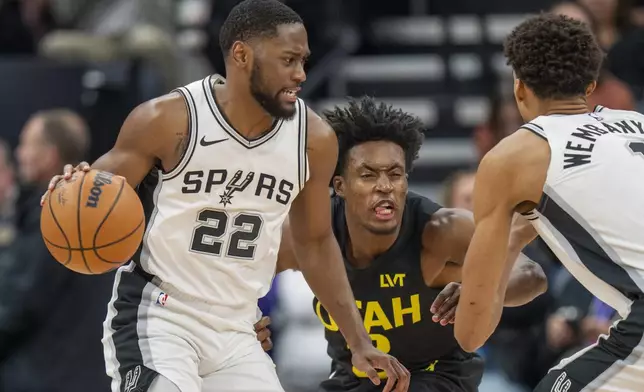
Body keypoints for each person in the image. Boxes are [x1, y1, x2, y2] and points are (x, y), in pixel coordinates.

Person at [43, 1, 409, 391]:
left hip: (239, 327)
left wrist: (358, 342)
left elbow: (315, 243)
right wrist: (71, 187)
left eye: (303, 61)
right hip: (161, 314)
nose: (300, 74)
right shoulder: (168, 120)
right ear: (241, 55)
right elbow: (93, 192)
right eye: (288, 60)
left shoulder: (313, 140)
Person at [262, 97, 547, 391]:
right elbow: (235, 273)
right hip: (355, 379)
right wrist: (245, 320)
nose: (385, 185)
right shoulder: (312, 236)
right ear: (340, 185)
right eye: (368, 174)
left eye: (395, 174)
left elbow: (532, 276)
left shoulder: (441, 230)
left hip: (436, 377)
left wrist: (481, 290)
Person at [454, 13, 644, 392]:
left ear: (519, 88)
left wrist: (481, 281)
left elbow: (471, 334)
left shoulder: (513, 156)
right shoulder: (635, 122)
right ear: (590, 86)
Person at [0, 109, 113, 392]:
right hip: (91, 375)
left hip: (42, 375)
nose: (20, 153)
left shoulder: (49, 217)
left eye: (27, 144)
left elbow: (17, 305)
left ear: (49, 155)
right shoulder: (104, 211)